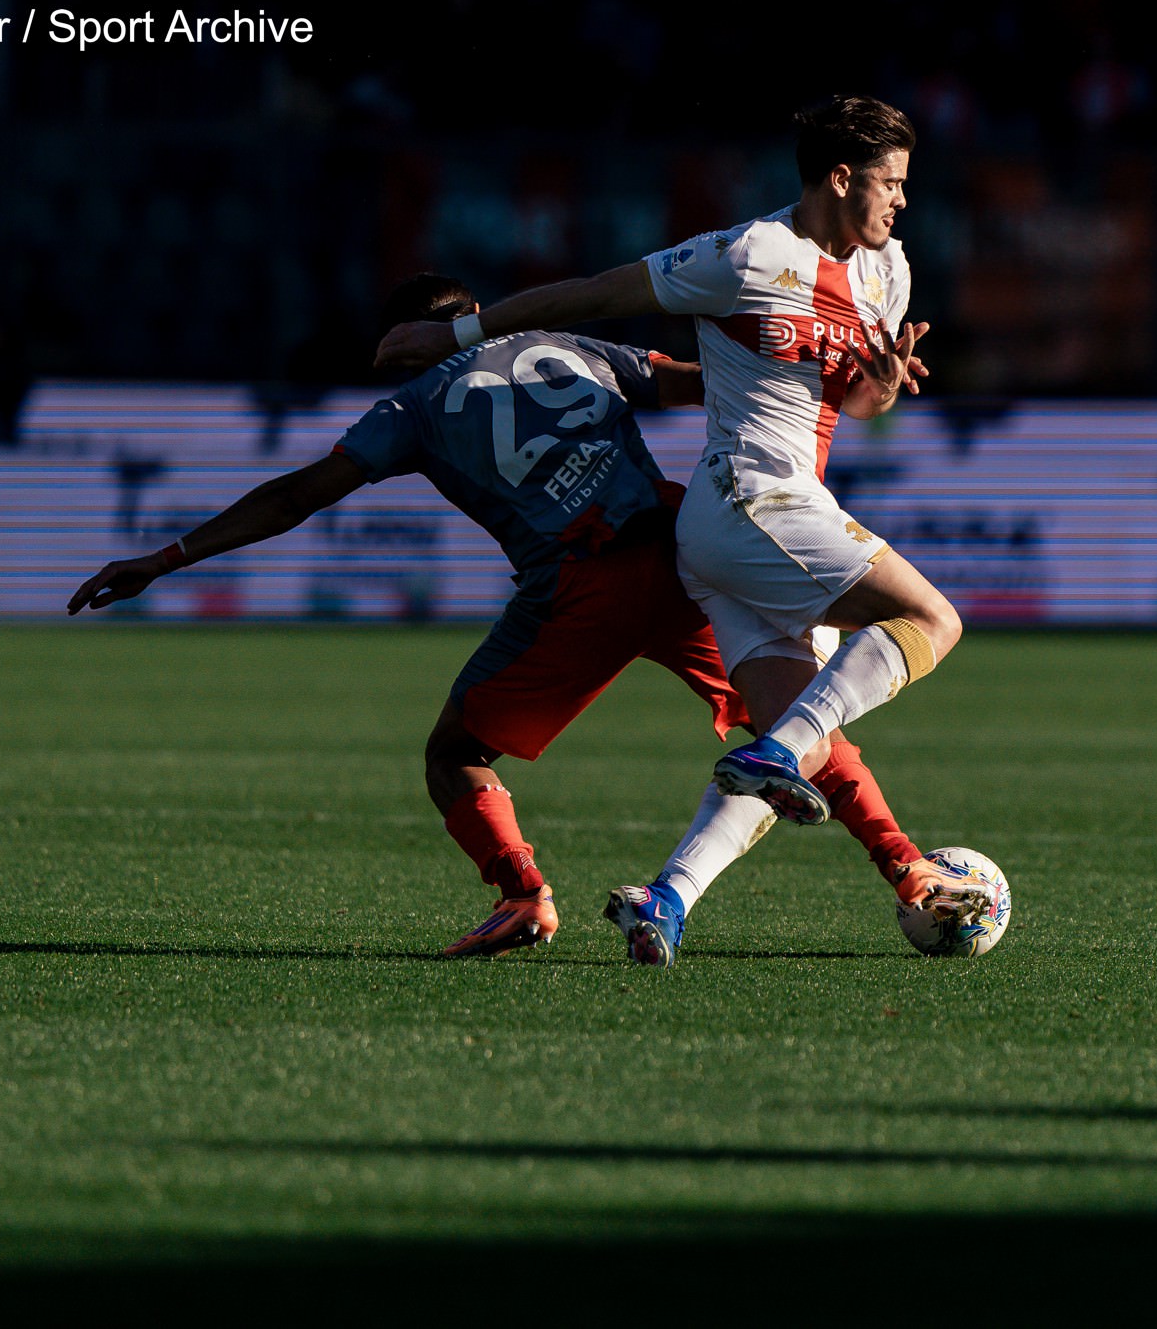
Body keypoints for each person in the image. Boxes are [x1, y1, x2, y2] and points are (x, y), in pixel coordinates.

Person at [71, 272, 958, 960]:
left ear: (407, 339)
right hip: (686, 551)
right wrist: (844, 377)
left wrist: (165, 557)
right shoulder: (565, 346)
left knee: (454, 751)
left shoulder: (410, 407)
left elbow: (297, 495)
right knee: (791, 718)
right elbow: (707, 385)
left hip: (581, 587)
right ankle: (909, 870)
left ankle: (524, 893)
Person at [374, 97, 991, 968]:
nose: (902, 202)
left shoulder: (889, 272)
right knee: (936, 622)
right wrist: (459, 331)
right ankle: (775, 758)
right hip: (749, 500)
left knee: (802, 740)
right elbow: (594, 294)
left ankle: (666, 901)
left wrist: (882, 384)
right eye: (889, 183)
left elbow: (851, 401)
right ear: (840, 177)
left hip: (757, 525)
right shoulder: (749, 254)